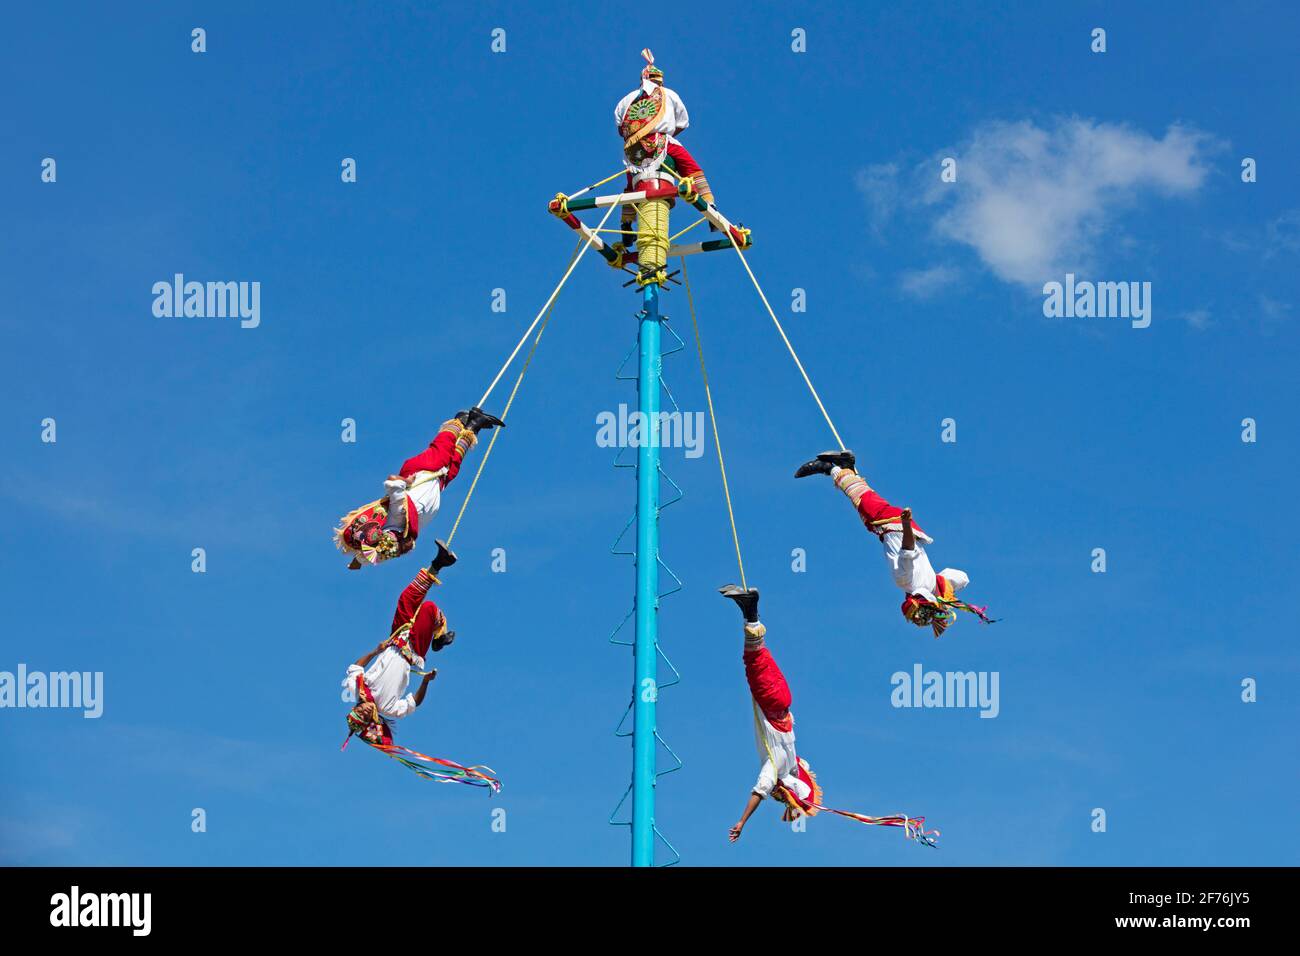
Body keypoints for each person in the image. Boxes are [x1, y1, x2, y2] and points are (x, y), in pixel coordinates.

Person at [794, 450, 991, 637]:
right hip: (893, 525)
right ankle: (831, 468)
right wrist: (905, 524)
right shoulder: (905, 581)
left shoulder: (934, 585)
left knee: (866, 498)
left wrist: (945, 600)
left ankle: (847, 468)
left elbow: (962, 578)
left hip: (897, 527)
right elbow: (908, 550)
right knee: (860, 499)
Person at [335, 407, 503, 569]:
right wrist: (356, 562)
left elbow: (392, 482)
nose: (397, 550)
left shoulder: (397, 514)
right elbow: (367, 557)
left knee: (443, 450)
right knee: (453, 467)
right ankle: (474, 425)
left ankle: (459, 420)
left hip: (422, 471)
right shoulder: (403, 532)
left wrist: (406, 482)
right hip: (435, 485)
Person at [719, 584, 823, 842]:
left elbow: (801, 776)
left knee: (760, 654)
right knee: (752, 659)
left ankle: (748, 609)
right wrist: (742, 821)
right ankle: (751, 608)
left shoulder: (793, 763)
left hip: (784, 697)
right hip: (772, 700)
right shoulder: (775, 768)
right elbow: (760, 790)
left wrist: (793, 802)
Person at [342, 542, 459, 746]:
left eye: (359, 710)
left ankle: (438, 563)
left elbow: (356, 666)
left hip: (394, 638)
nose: (365, 710)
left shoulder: (357, 687)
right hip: (412, 650)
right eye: (365, 715)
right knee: (429, 609)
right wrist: (426, 681)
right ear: (373, 721)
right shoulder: (389, 709)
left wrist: (374, 651)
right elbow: (413, 702)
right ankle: (438, 636)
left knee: (406, 598)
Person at [614, 48, 717, 251]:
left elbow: (621, 129)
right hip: (662, 144)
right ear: (660, 79)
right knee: (692, 169)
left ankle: (626, 225)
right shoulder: (669, 94)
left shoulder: (625, 100)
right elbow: (683, 123)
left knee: (631, 186)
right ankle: (710, 207)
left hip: (632, 153)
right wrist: (663, 133)